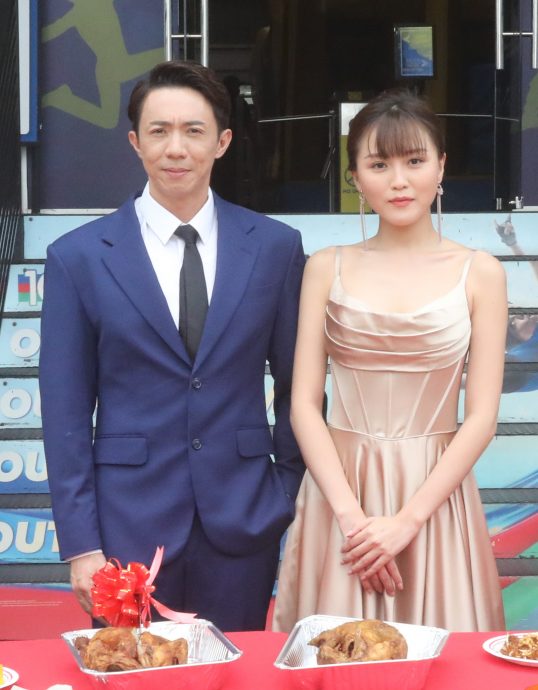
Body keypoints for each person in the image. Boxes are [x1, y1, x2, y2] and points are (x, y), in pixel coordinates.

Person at [39, 60, 305, 632]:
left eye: (193, 130)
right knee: (135, 670)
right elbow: (65, 413)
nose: (176, 148)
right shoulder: (78, 257)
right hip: (124, 530)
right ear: (136, 142)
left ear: (222, 142)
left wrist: (283, 492)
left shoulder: (275, 248)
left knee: (234, 669)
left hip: (243, 521)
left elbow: (298, 386)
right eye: (159, 131)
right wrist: (81, 544)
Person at [272, 89, 507, 632]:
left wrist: (408, 521)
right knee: (335, 649)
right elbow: (304, 405)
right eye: (379, 165)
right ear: (356, 176)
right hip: (340, 492)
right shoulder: (325, 267)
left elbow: (481, 418)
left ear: (441, 166)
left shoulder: (481, 273)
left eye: (414, 161)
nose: (399, 181)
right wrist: (353, 521)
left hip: (434, 496)